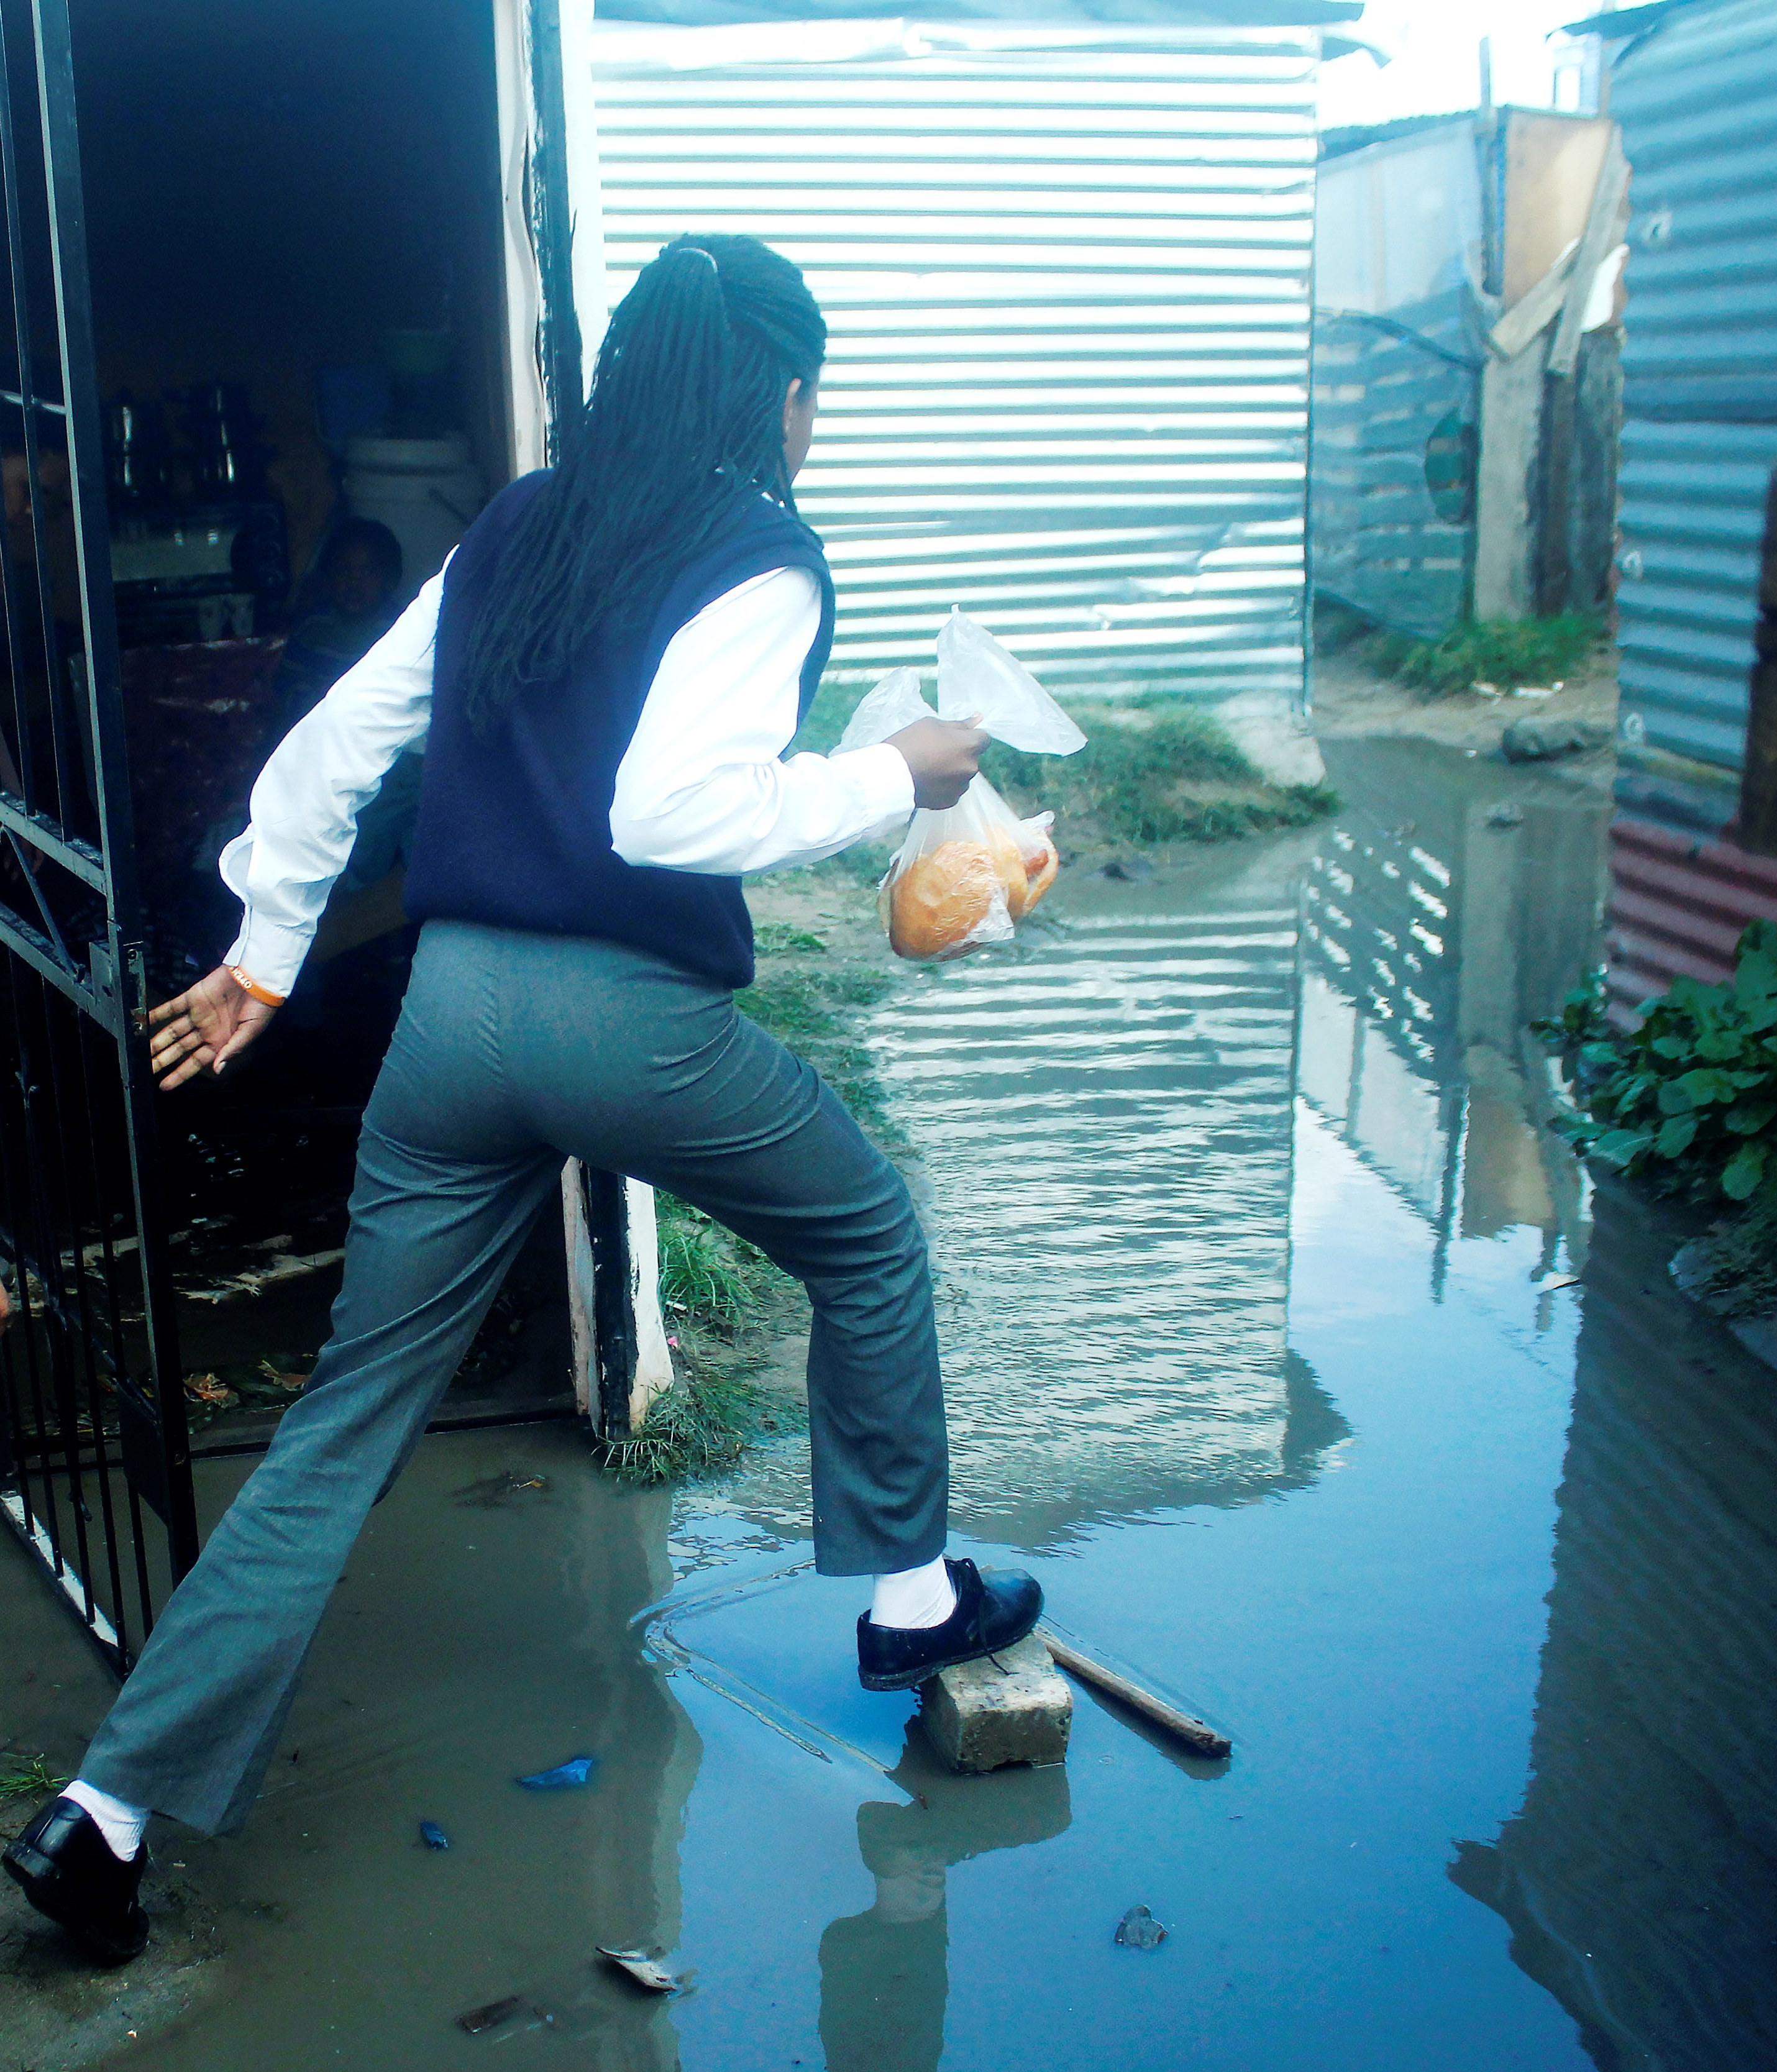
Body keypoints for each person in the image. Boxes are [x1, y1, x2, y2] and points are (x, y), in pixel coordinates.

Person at [4, 234, 1041, 1965]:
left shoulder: (519, 523)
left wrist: (270, 947)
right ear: (776, 394)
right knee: (866, 1235)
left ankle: (102, 1815)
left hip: (454, 1020)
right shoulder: (762, 553)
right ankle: (912, 1600)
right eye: (816, 394)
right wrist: (900, 774)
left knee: (343, 1416)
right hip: (623, 1022)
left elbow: (336, 746)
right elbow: (676, 816)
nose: (818, 428)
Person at [272, 516, 406, 724]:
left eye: (368, 572)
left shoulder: (399, 629)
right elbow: (287, 682)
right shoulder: (314, 625)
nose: (354, 582)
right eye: (344, 570)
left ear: (389, 578)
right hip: (317, 727)